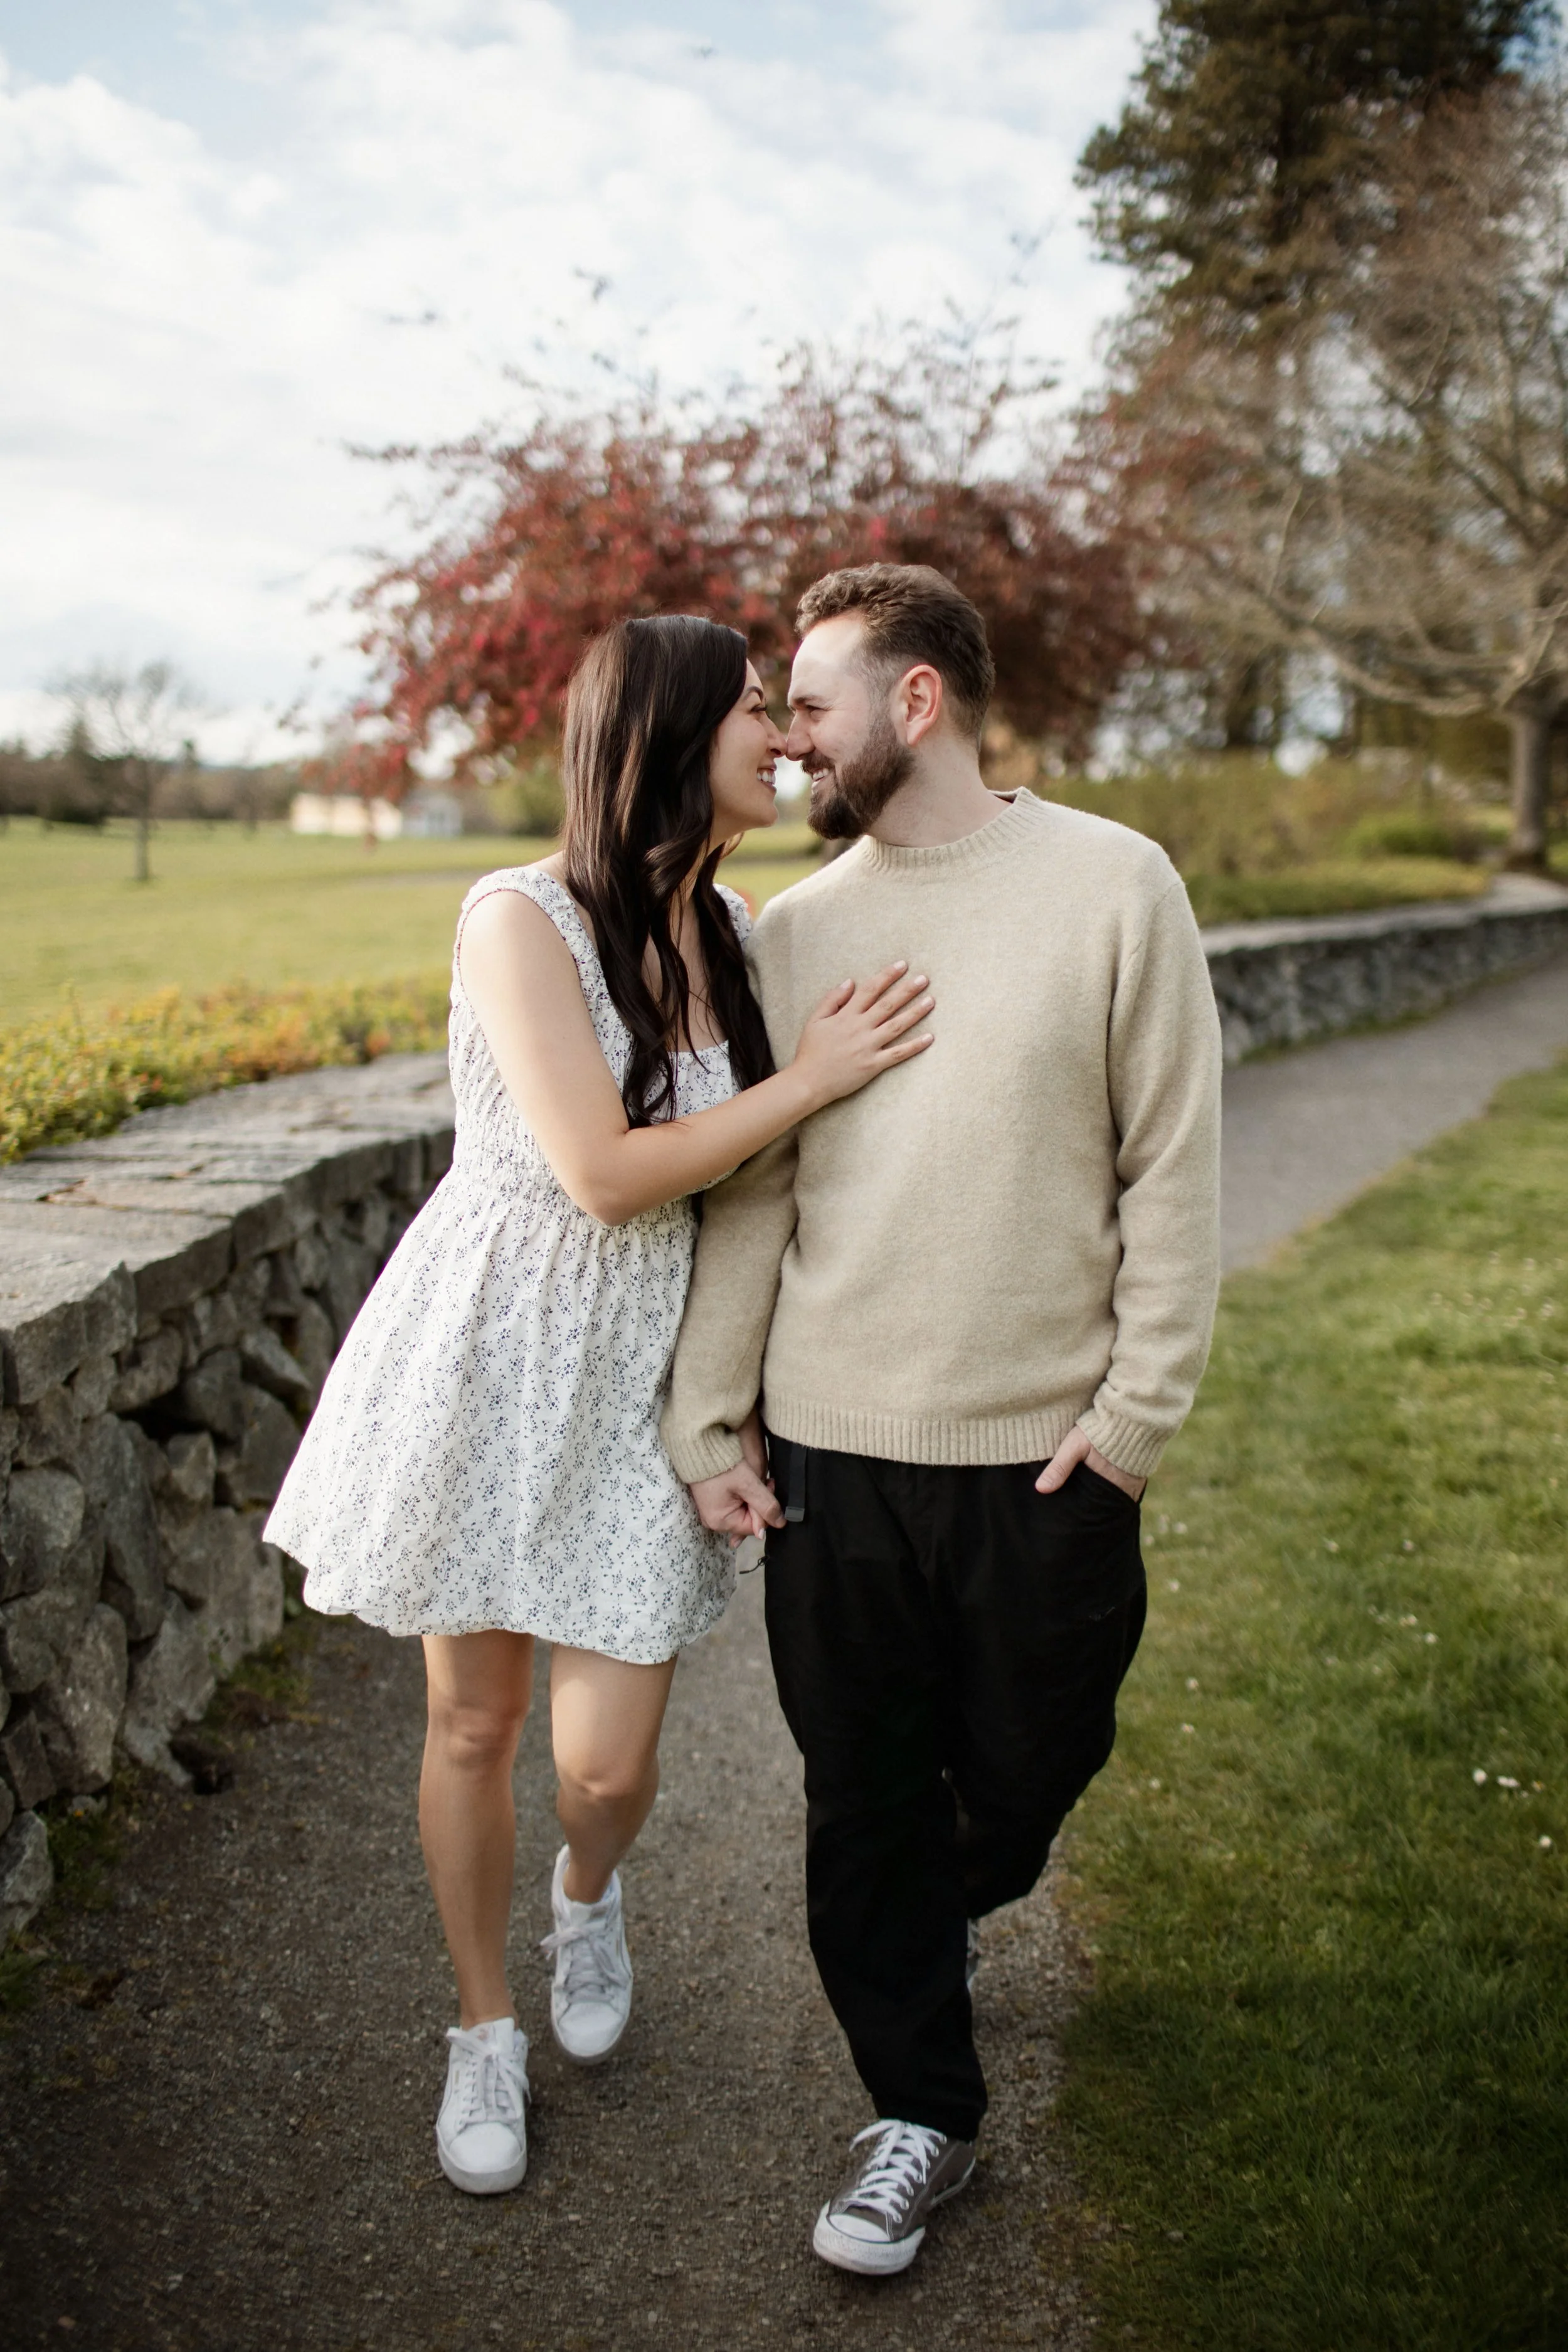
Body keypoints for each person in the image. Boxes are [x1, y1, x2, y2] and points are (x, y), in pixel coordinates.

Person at [264, 615, 937, 2198]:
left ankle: (585, 1893)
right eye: (758, 711)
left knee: (607, 1770)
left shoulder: (738, 928)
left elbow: (747, 1198)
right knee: (471, 1720)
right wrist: (807, 1080)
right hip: (493, 1356)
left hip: (643, 1378)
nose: (781, 734)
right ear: (666, 729)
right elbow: (598, 1172)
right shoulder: (520, 921)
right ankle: (481, 2031)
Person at [662, 564, 1222, 2277]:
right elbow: (756, 1191)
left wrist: (1131, 1418)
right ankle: (919, 2109)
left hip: (1047, 1459)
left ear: (917, 701)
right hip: (835, 1458)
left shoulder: (1115, 886)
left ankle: (936, 1908)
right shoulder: (793, 931)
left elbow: (1172, 1166)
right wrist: (710, 1418)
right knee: (861, 1795)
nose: (789, 735)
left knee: (1032, 1762)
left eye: (813, 699)